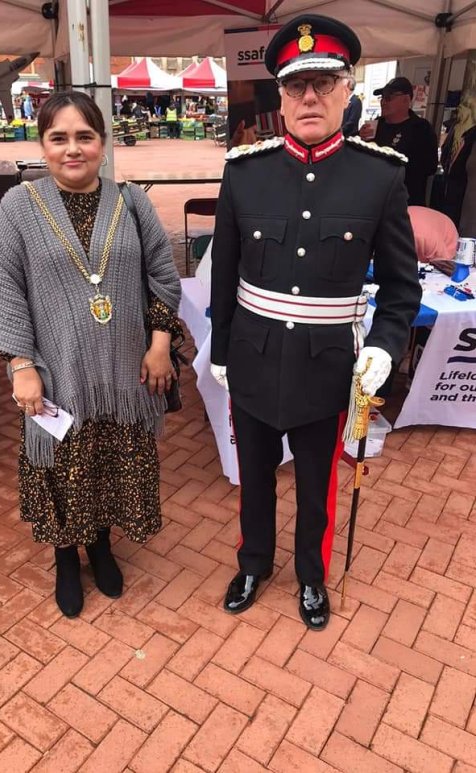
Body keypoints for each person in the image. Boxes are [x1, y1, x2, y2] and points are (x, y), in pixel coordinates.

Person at [210, 14, 421, 630]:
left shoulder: (379, 175)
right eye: (296, 86)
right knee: (252, 474)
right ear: (279, 96)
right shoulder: (244, 172)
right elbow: (226, 274)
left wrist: (384, 343)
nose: (309, 97)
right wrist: (220, 347)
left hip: (329, 361)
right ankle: (253, 562)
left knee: (316, 481)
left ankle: (310, 575)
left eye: (324, 84)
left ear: (347, 92)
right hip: (252, 351)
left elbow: (403, 289)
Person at [0, 92, 182, 618]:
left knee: (113, 460)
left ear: (103, 144)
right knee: (63, 466)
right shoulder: (18, 209)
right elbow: (3, 291)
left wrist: (159, 344)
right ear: (41, 144)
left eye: (84, 137)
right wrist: (20, 366)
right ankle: (67, 556)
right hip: (56, 373)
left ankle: (102, 545)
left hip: (124, 371)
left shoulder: (131, 201)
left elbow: (162, 272)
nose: (72, 149)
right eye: (58, 138)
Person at [360, 76, 438, 205]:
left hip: (405, 202)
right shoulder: (376, 125)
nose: (383, 102)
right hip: (373, 200)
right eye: (382, 98)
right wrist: (361, 140)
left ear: (406, 99)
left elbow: (429, 167)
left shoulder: (420, 128)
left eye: (389, 98)